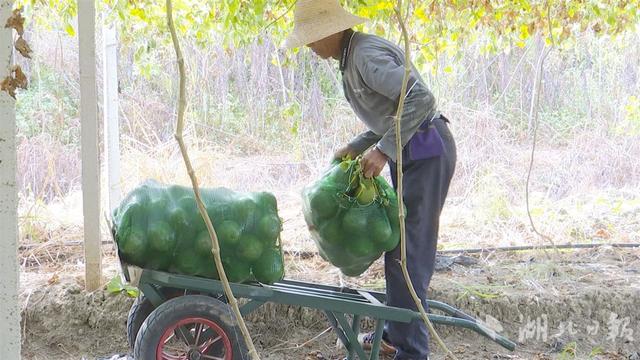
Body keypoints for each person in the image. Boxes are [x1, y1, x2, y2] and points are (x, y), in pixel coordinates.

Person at [284, 1, 457, 359]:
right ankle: (396, 335)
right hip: (411, 150)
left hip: (425, 148)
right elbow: (390, 114)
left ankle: (411, 351)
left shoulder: (364, 56)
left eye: (313, 40)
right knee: (399, 249)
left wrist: (382, 151)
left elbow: (420, 99)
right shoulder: (351, 57)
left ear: (331, 31)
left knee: (408, 253)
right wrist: (359, 144)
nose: (311, 49)